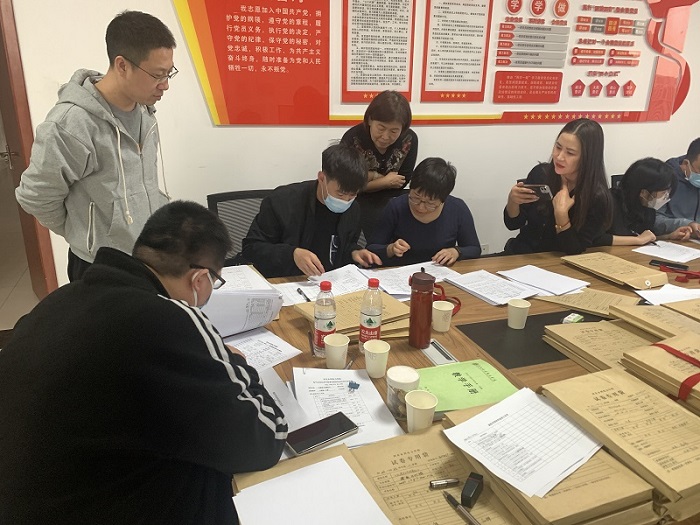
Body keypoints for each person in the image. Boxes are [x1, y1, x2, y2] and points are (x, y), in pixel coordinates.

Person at [0, 201, 288, 524]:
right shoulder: (167, 321)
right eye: (215, 282)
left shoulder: (58, 301)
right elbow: (266, 439)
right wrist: (236, 365)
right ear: (199, 279)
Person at [15, 10, 177, 281]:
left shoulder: (145, 112)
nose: (165, 85)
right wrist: (85, 234)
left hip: (145, 256)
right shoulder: (71, 124)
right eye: (158, 75)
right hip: (98, 265)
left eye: (169, 73)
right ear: (122, 65)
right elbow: (35, 196)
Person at [242, 143, 382, 278]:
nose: (346, 200)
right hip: (287, 282)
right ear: (322, 178)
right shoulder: (282, 202)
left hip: (329, 283)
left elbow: (340, 246)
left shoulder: (353, 208)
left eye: (352, 195)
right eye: (340, 194)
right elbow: (252, 248)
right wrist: (292, 254)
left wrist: (354, 252)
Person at [503, 118, 612, 255]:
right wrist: (513, 201)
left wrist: (561, 214)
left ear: (587, 158)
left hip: (557, 261)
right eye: (558, 147)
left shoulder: (597, 197)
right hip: (521, 254)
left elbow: (574, 250)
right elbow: (513, 224)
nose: (559, 157)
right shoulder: (541, 174)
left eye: (570, 153)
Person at [367, 157, 481, 266]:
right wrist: (391, 249)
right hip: (401, 270)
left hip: (439, 272)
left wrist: (456, 252)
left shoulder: (457, 208)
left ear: (443, 199)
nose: (421, 207)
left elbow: (474, 249)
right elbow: (371, 248)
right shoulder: (396, 207)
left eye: (430, 203)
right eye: (416, 197)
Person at [341, 90, 418, 237]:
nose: (385, 137)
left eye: (394, 131)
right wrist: (384, 181)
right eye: (381, 128)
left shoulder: (409, 139)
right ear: (370, 120)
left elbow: (402, 180)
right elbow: (347, 184)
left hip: (393, 197)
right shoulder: (353, 138)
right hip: (357, 199)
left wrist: (368, 177)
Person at [594, 158, 693, 246]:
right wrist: (637, 240)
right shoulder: (607, 201)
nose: (666, 196)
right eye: (664, 192)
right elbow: (596, 238)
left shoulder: (647, 208)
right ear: (644, 193)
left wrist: (669, 236)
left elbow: (644, 237)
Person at [656, 137, 700, 237]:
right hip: (674, 239)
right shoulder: (665, 178)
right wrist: (687, 224)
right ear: (686, 164)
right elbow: (654, 220)